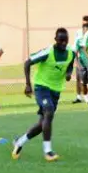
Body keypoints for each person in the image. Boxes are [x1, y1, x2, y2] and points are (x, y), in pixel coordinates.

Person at [12, 28, 75, 162]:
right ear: (55, 40)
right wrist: (28, 84)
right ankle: (48, 151)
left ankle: (19, 142)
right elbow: (27, 63)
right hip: (41, 87)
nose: (64, 43)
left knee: (43, 124)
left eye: (66, 40)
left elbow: (70, 64)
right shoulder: (48, 52)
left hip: (56, 90)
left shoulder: (71, 53)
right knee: (49, 111)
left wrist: (69, 73)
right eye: (61, 40)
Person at [73, 16, 88, 103]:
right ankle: (78, 97)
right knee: (79, 78)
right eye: (83, 23)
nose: (84, 24)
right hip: (80, 59)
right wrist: (76, 61)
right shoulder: (78, 32)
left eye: (86, 23)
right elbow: (76, 46)